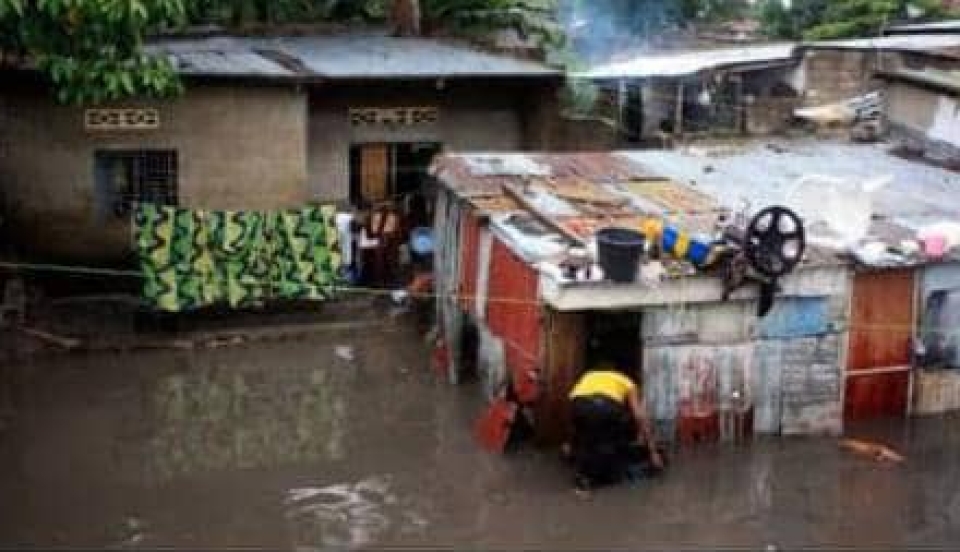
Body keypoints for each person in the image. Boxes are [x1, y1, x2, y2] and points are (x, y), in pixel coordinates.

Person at [568, 362, 663, 489]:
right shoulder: (627, 382)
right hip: (607, 408)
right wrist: (653, 452)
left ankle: (585, 471)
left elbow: (575, 416)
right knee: (609, 446)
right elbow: (639, 416)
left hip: (579, 406)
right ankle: (602, 474)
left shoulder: (588, 375)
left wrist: (570, 444)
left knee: (590, 438)